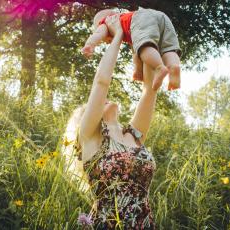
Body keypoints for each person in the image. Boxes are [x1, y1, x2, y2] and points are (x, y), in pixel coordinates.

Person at [68, 15, 160, 229]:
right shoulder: (90, 137)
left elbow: (150, 90)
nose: (105, 99)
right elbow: (101, 82)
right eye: (101, 101)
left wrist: (141, 38)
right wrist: (118, 35)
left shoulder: (134, 135)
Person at [81, 8, 181, 91]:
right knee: (168, 48)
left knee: (144, 48)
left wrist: (90, 44)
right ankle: (174, 66)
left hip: (141, 17)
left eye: (105, 40)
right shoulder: (130, 28)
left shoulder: (107, 22)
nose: (106, 42)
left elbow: (98, 34)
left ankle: (159, 67)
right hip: (161, 16)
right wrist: (138, 71)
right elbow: (135, 53)